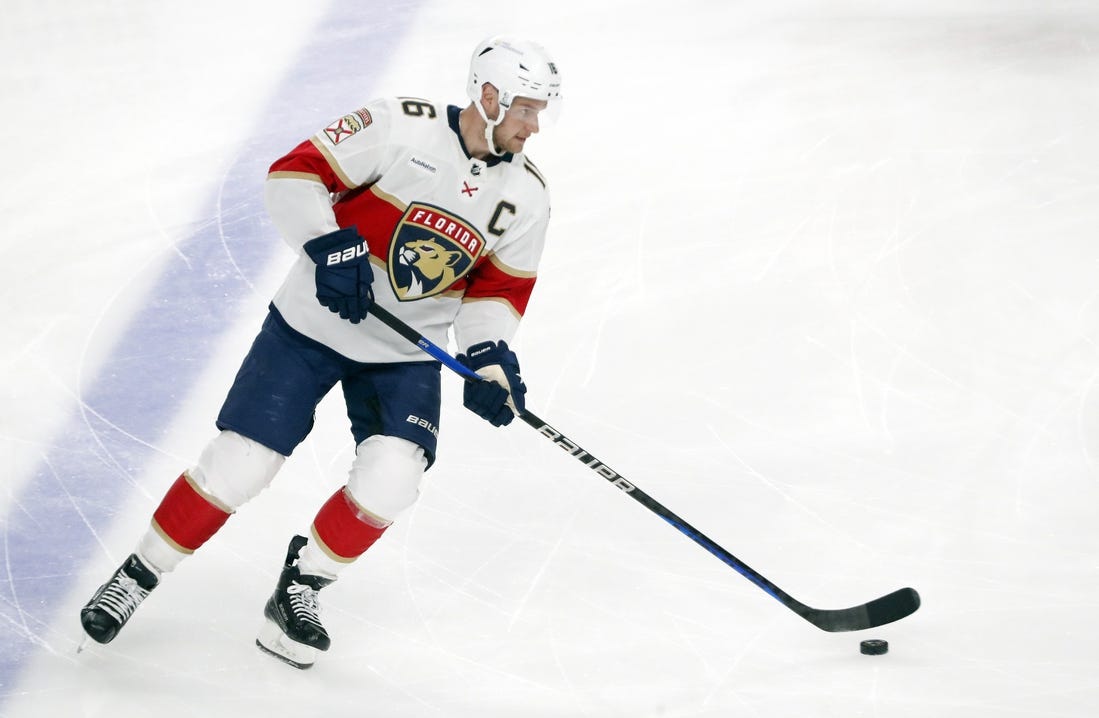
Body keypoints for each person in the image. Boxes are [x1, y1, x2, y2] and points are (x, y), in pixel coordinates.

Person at [79, 35, 562, 670]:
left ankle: (299, 589)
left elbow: (496, 293)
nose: (534, 125)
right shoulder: (399, 125)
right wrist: (329, 245)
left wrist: (489, 358)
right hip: (310, 326)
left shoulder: (527, 196)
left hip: (402, 354)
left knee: (393, 482)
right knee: (240, 465)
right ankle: (140, 573)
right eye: (526, 108)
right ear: (490, 97)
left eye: (539, 111)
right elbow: (294, 175)